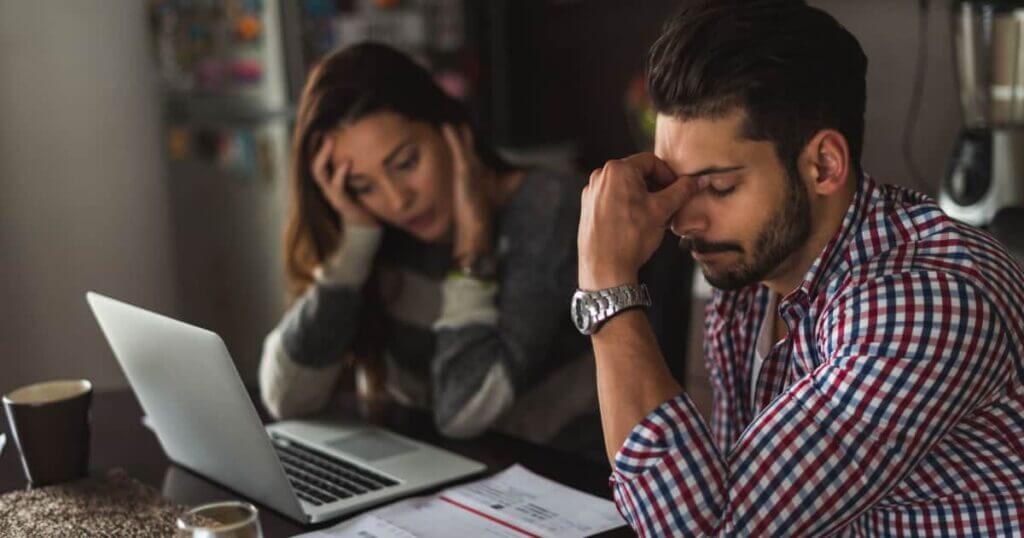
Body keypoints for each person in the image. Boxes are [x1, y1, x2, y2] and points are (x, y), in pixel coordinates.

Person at [574, 1, 1024, 535]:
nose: (683, 220)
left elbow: (712, 530)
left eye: (719, 186)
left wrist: (608, 287)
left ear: (823, 165)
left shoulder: (925, 303)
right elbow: (721, 490)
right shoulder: (748, 278)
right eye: (673, 184)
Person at [259, 43, 596, 447]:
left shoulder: (548, 211)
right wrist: (354, 245)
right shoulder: (382, 231)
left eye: (405, 163)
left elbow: (463, 412)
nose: (397, 201)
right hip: (437, 473)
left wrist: (473, 249)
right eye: (363, 186)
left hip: (555, 482)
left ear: (451, 128)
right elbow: (286, 397)